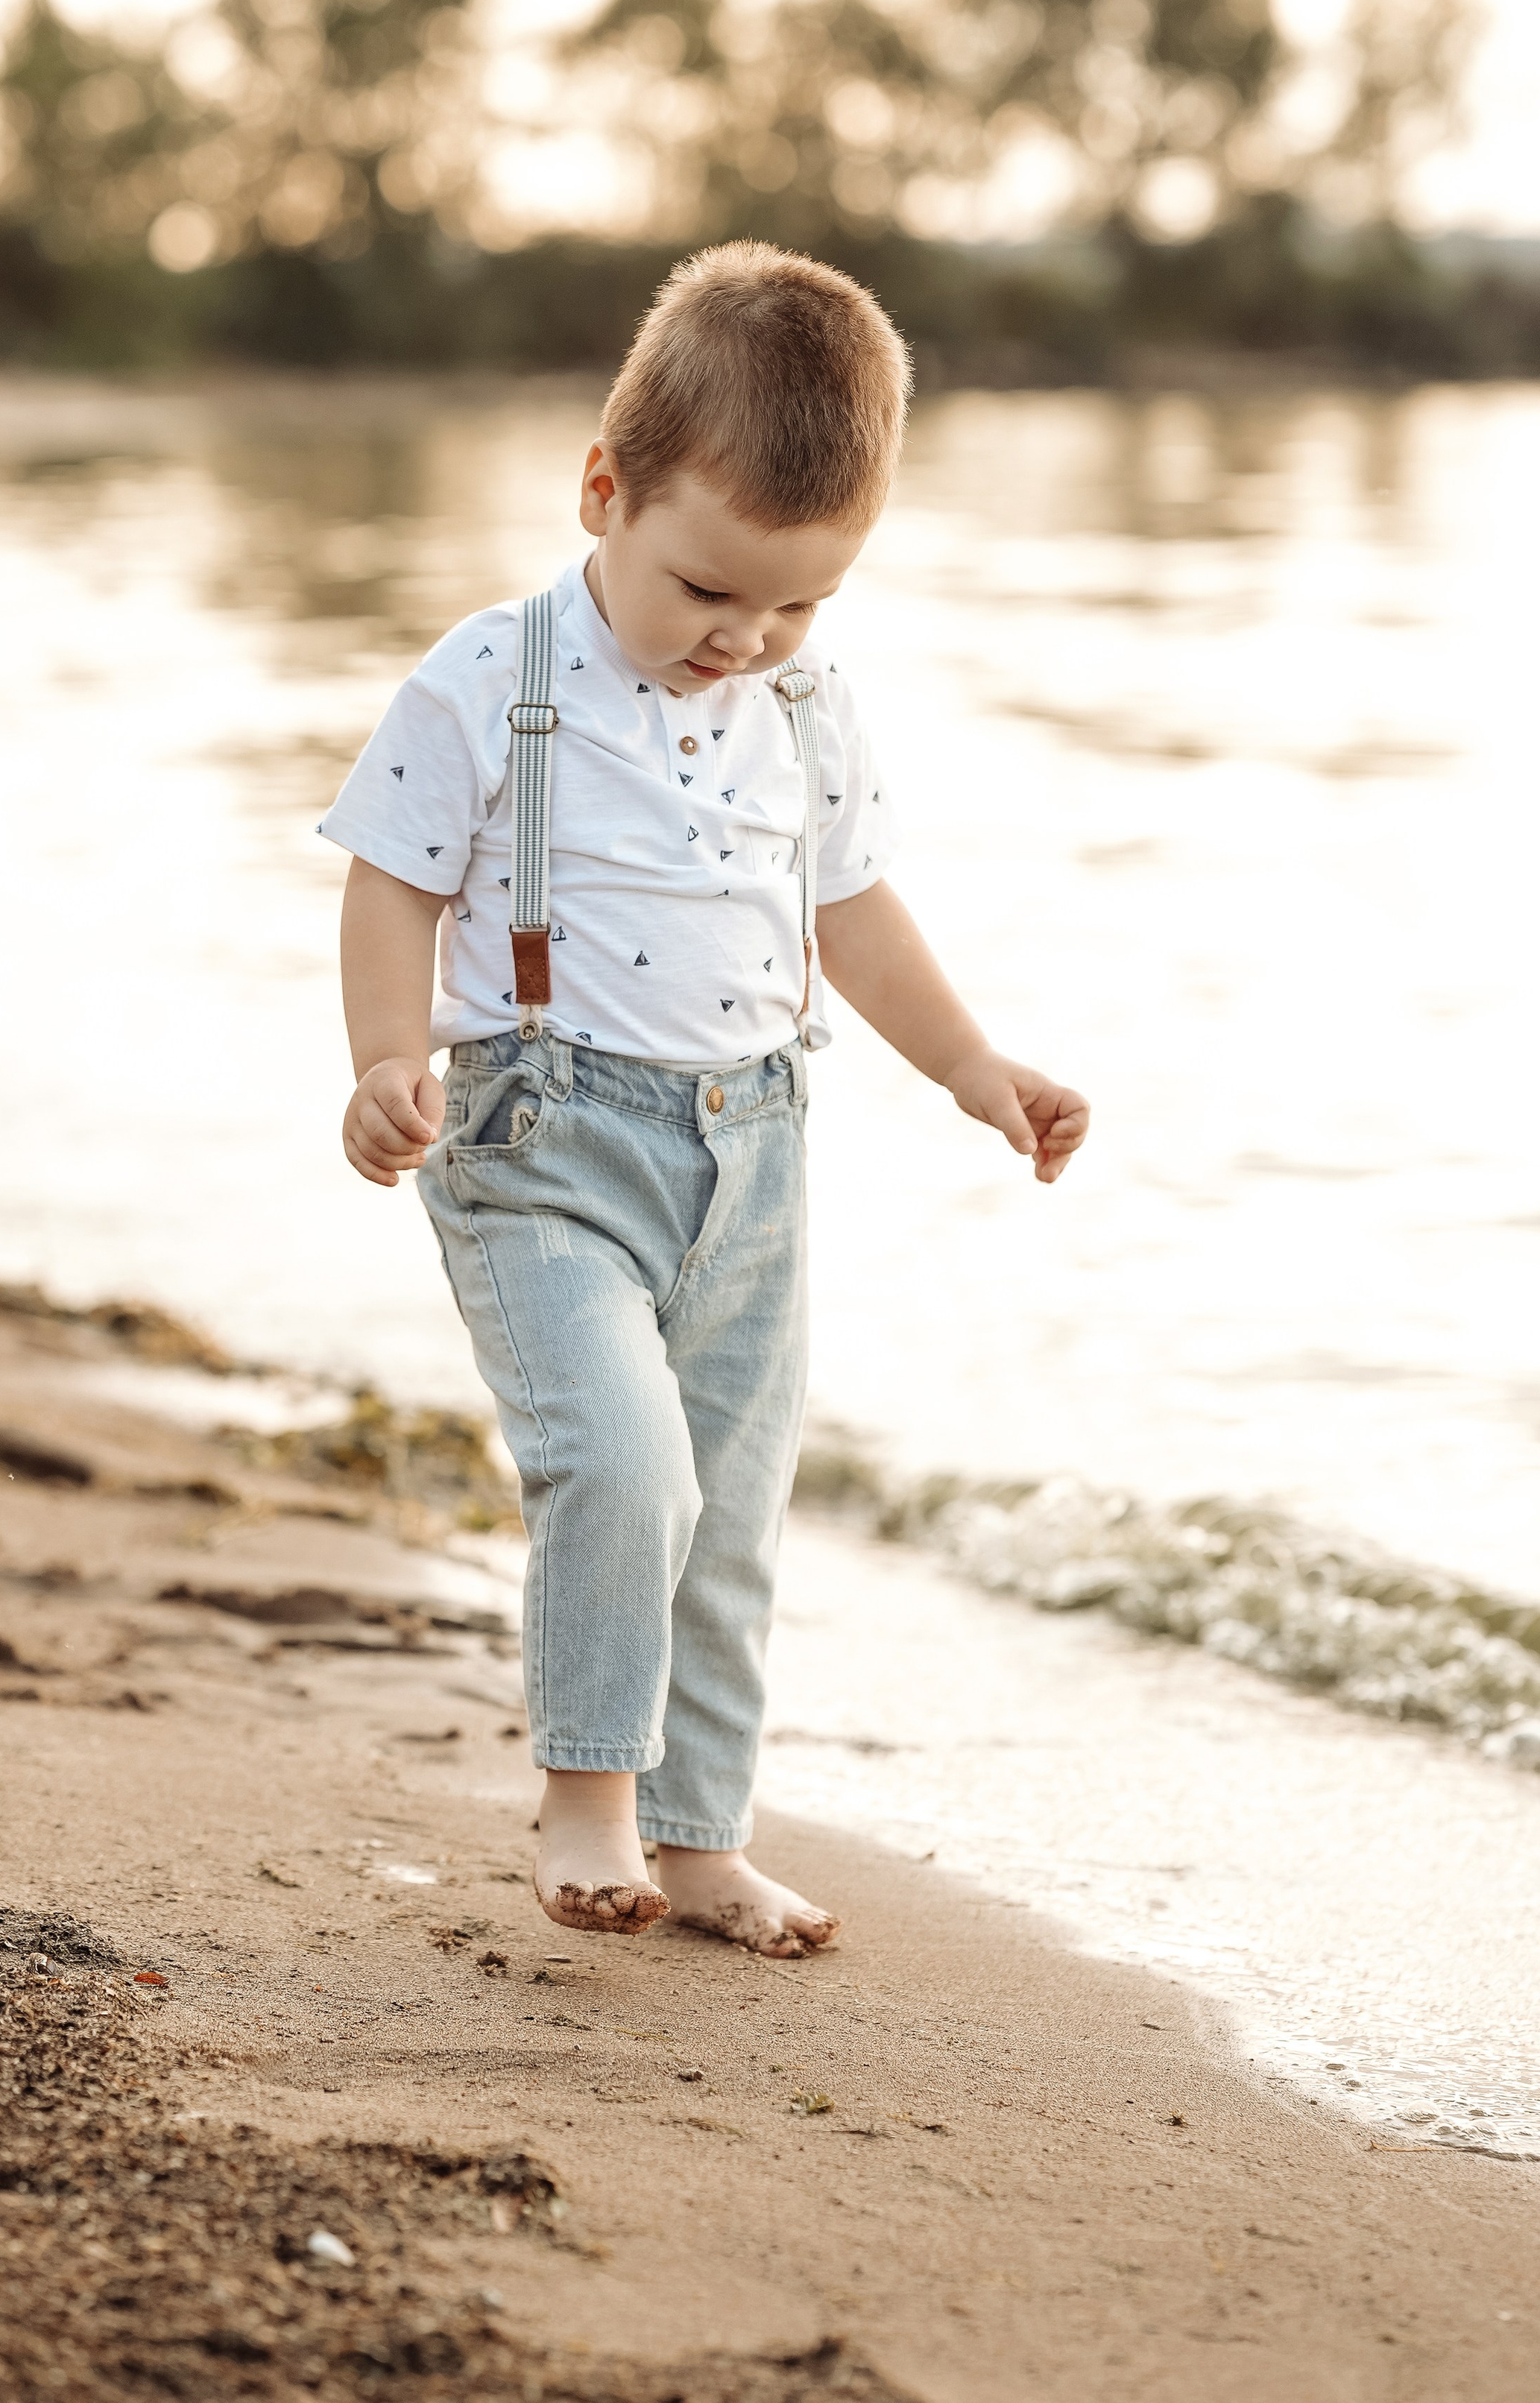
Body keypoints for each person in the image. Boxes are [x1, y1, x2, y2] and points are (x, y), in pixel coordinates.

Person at [319, 242, 1089, 1959]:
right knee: (623, 1463)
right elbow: (392, 879)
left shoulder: (801, 705)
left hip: (753, 1155)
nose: (743, 638)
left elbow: (851, 913)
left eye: (798, 605)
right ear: (604, 490)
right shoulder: (490, 677)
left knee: (729, 1508)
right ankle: (586, 1795)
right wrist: (383, 1056)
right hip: (540, 1146)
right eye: (706, 590)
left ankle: (698, 1837)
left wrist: (974, 1069)